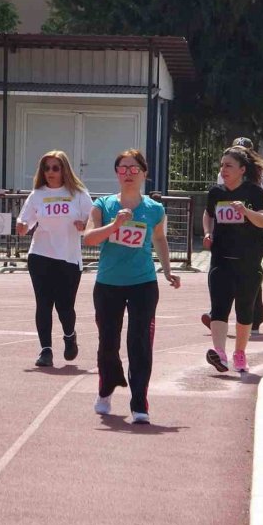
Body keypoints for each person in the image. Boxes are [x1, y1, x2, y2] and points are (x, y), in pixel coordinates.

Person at [83, 149, 180, 424]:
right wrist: (115, 224)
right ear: (116, 173)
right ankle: (105, 388)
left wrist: (168, 270)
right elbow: (89, 238)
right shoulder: (102, 205)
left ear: (144, 173)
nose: (128, 173)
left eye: (133, 168)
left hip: (143, 283)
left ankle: (139, 401)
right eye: (123, 168)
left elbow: (159, 239)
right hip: (108, 283)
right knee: (108, 343)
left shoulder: (154, 208)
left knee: (140, 343)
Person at [16, 150, 93, 367]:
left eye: (55, 168)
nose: (50, 172)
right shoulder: (37, 194)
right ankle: (45, 350)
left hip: (68, 257)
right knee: (43, 303)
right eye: (46, 168)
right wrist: (22, 226)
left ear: (64, 170)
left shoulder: (78, 194)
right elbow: (25, 221)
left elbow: (93, 221)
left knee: (65, 306)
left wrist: (84, 225)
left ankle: (69, 336)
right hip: (40, 254)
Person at [202, 146, 263, 373]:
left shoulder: (254, 193)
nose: (223, 170)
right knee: (219, 308)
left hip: (248, 262)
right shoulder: (216, 193)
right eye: (222, 165)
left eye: (228, 165)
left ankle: (239, 353)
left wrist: (245, 212)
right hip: (221, 260)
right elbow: (209, 214)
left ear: (242, 169)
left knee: (244, 310)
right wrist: (207, 232)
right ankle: (220, 355)